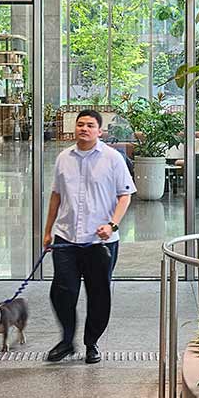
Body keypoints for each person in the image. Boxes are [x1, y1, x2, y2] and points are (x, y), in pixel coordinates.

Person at [41, 108, 135, 364]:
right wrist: (48, 231)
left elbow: (125, 195)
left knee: (99, 295)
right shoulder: (63, 158)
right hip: (66, 238)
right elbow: (56, 196)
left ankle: (91, 342)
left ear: (99, 131)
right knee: (62, 292)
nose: (84, 128)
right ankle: (66, 341)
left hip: (100, 241)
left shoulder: (113, 158)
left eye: (90, 125)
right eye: (80, 124)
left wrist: (112, 225)